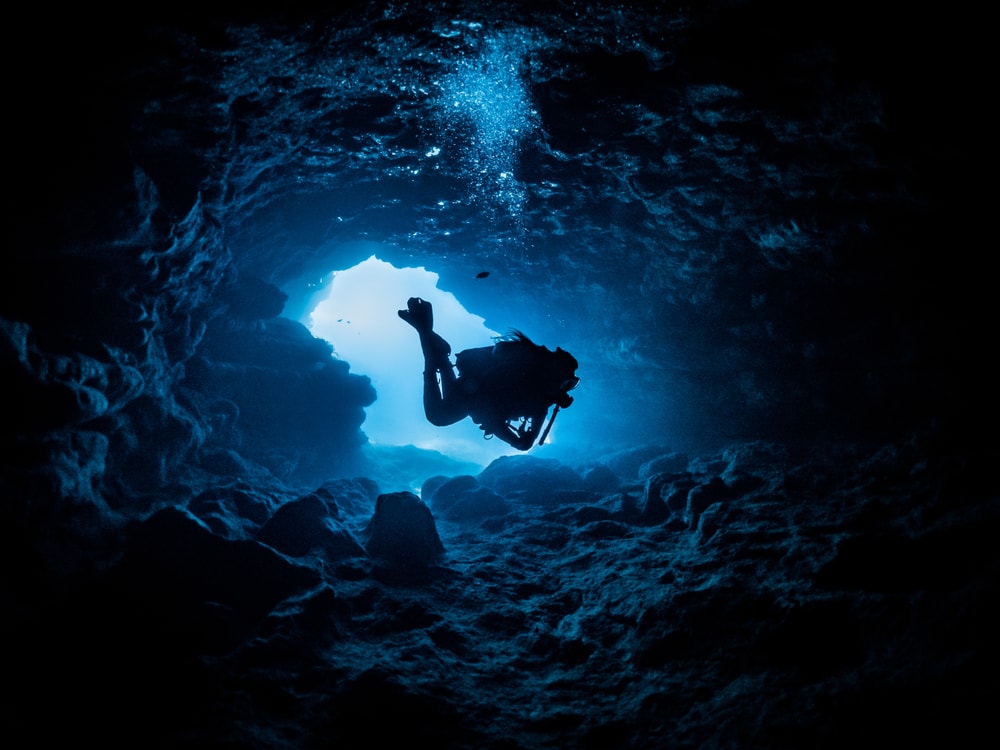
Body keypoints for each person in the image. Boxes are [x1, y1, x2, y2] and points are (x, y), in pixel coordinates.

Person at [398, 297, 579, 451]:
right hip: (474, 390)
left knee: (445, 409)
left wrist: (519, 438)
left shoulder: (541, 400)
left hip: (474, 394)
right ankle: (431, 347)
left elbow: (523, 443)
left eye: (571, 385)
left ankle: (437, 352)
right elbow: (489, 408)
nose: (566, 390)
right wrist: (511, 434)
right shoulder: (527, 378)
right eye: (567, 383)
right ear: (555, 375)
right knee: (437, 416)